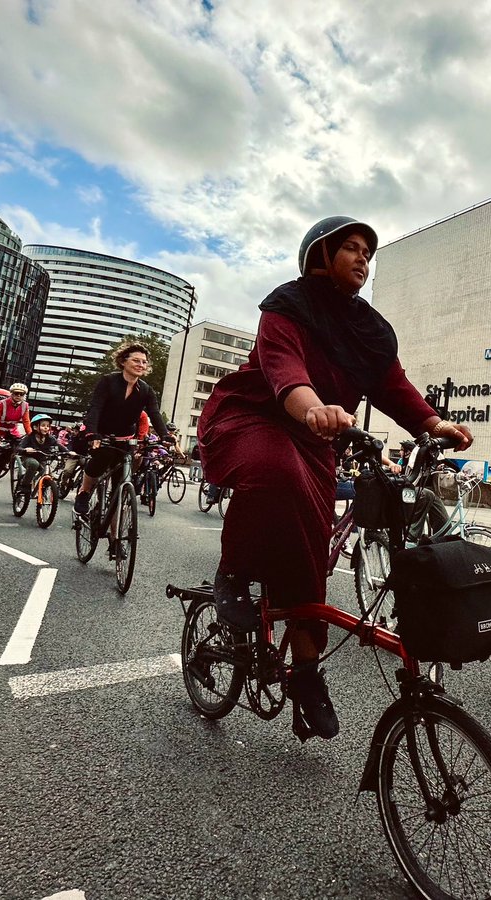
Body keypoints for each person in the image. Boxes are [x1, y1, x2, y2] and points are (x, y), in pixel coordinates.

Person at [196, 215, 472, 741]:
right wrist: (315, 408)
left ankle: (304, 672)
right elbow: (284, 370)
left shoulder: (368, 327)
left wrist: (433, 423)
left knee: (309, 551)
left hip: (316, 436)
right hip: (255, 417)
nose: (363, 259)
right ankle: (232, 573)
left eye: (369, 252)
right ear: (321, 255)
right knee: (274, 472)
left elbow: (394, 386)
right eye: (351, 248)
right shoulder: (287, 306)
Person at [74, 343, 169, 559]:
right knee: (100, 460)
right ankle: (84, 492)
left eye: (144, 362)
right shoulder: (108, 381)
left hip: (126, 439)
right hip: (103, 436)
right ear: (123, 361)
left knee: (121, 491)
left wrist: (165, 436)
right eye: (136, 360)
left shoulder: (145, 390)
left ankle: (115, 540)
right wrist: (92, 433)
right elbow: (95, 407)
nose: (141, 365)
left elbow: (154, 414)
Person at [0, 384, 32, 490]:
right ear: (12, 394)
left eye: (21, 394)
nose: (18, 396)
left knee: (10, 454)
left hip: (11, 431)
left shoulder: (25, 406)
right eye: (16, 393)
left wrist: (31, 436)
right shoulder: (1, 404)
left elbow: (26, 422)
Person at [17, 414, 58, 494]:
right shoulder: (29, 437)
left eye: (48, 426)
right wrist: (25, 450)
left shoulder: (50, 438)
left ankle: (42, 488)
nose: (46, 428)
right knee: (34, 464)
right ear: (35, 427)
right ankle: (24, 486)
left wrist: (68, 452)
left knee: (47, 470)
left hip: (42, 459)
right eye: (43, 425)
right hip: (28, 458)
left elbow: (59, 446)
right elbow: (18, 448)